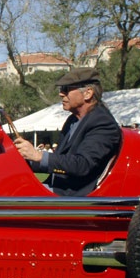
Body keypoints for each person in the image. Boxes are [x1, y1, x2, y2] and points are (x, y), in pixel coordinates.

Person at [14, 68, 121, 197]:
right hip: (57, 188)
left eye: (66, 89)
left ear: (88, 93)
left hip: (72, 196)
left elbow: (83, 165)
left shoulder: (102, 122)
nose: (61, 94)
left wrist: (38, 155)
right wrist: (21, 158)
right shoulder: (72, 121)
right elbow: (61, 160)